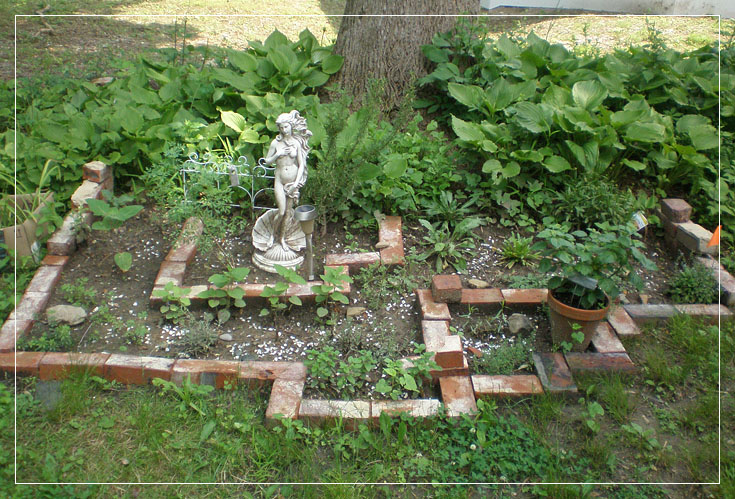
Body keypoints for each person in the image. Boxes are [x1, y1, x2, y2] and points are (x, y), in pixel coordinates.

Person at [262, 110, 311, 250]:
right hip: (280, 180)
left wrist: (295, 184)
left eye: (286, 126)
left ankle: (282, 238)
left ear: (291, 126)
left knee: (288, 213)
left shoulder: (296, 143)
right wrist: (278, 154)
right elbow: (267, 161)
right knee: (282, 211)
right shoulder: (275, 143)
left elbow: (301, 165)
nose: (284, 130)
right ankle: (272, 234)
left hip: (292, 182)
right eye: (281, 127)